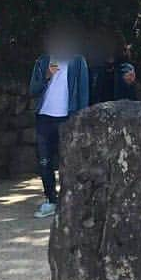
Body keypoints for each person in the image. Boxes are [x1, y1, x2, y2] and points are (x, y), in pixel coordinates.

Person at [28, 26, 90, 218]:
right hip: (44, 117)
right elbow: (33, 90)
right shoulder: (43, 61)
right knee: (44, 161)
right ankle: (51, 200)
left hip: (67, 117)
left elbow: (83, 91)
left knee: (68, 160)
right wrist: (46, 75)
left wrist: (80, 117)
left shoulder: (78, 61)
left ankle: (68, 200)